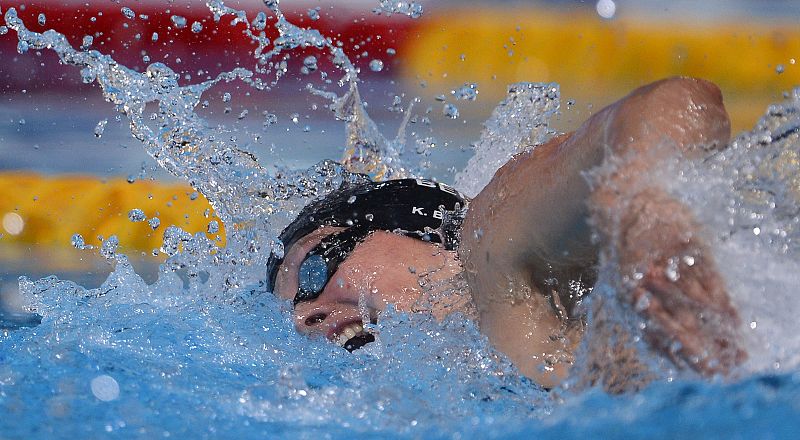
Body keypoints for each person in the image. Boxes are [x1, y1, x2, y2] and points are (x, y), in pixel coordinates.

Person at [267, 77, 746, 391]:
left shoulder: (485, 253)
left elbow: (680, 102)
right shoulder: (475, 375)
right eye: (290, 307)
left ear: (423, 232)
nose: (304, 316)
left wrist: (643, 209)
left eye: (314, 268)